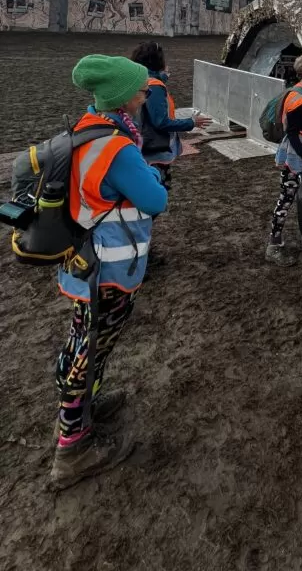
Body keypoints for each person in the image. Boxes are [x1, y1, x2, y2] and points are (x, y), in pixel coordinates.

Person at [52, 55, 168, 488]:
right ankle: (72, 447)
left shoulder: (85, 128)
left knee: (85, 339)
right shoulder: (117, 146)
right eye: (140, 88)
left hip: (83, 259)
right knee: (90, 347)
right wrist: (151, 178)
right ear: (122, 96)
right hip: (109, 267)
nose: (146, 93)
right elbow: (156, 202)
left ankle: (86, 407)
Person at [268, 52, 302, 267]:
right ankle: (273, 244)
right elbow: (292, 133)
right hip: (296, 158)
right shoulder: (299, 99)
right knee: (287, 198)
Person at [130, 40, 211, 185]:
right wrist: (191, 122)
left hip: (145, 145)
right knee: (158, 187)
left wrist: (162, 77)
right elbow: (161, 121)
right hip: (155, 151)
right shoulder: (155, 86)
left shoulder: (139, 80)